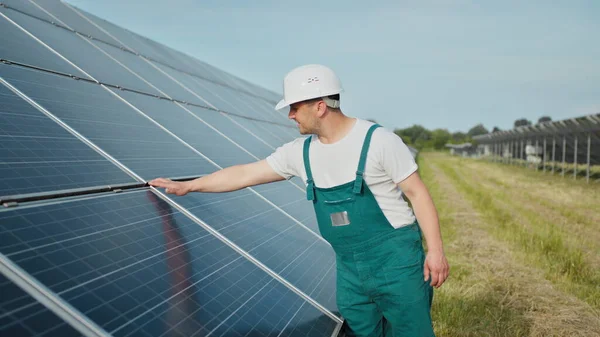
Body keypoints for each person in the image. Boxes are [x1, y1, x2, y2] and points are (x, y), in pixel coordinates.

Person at [149, 64, 449, 336]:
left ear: (320, 106)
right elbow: (244, 174)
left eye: (294, 107)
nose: (290, 115)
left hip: (395, 263)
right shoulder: (300, 153)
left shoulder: (378, 141)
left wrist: (435, 251)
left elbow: (417, 193)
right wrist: (190, 186)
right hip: (349, 270)